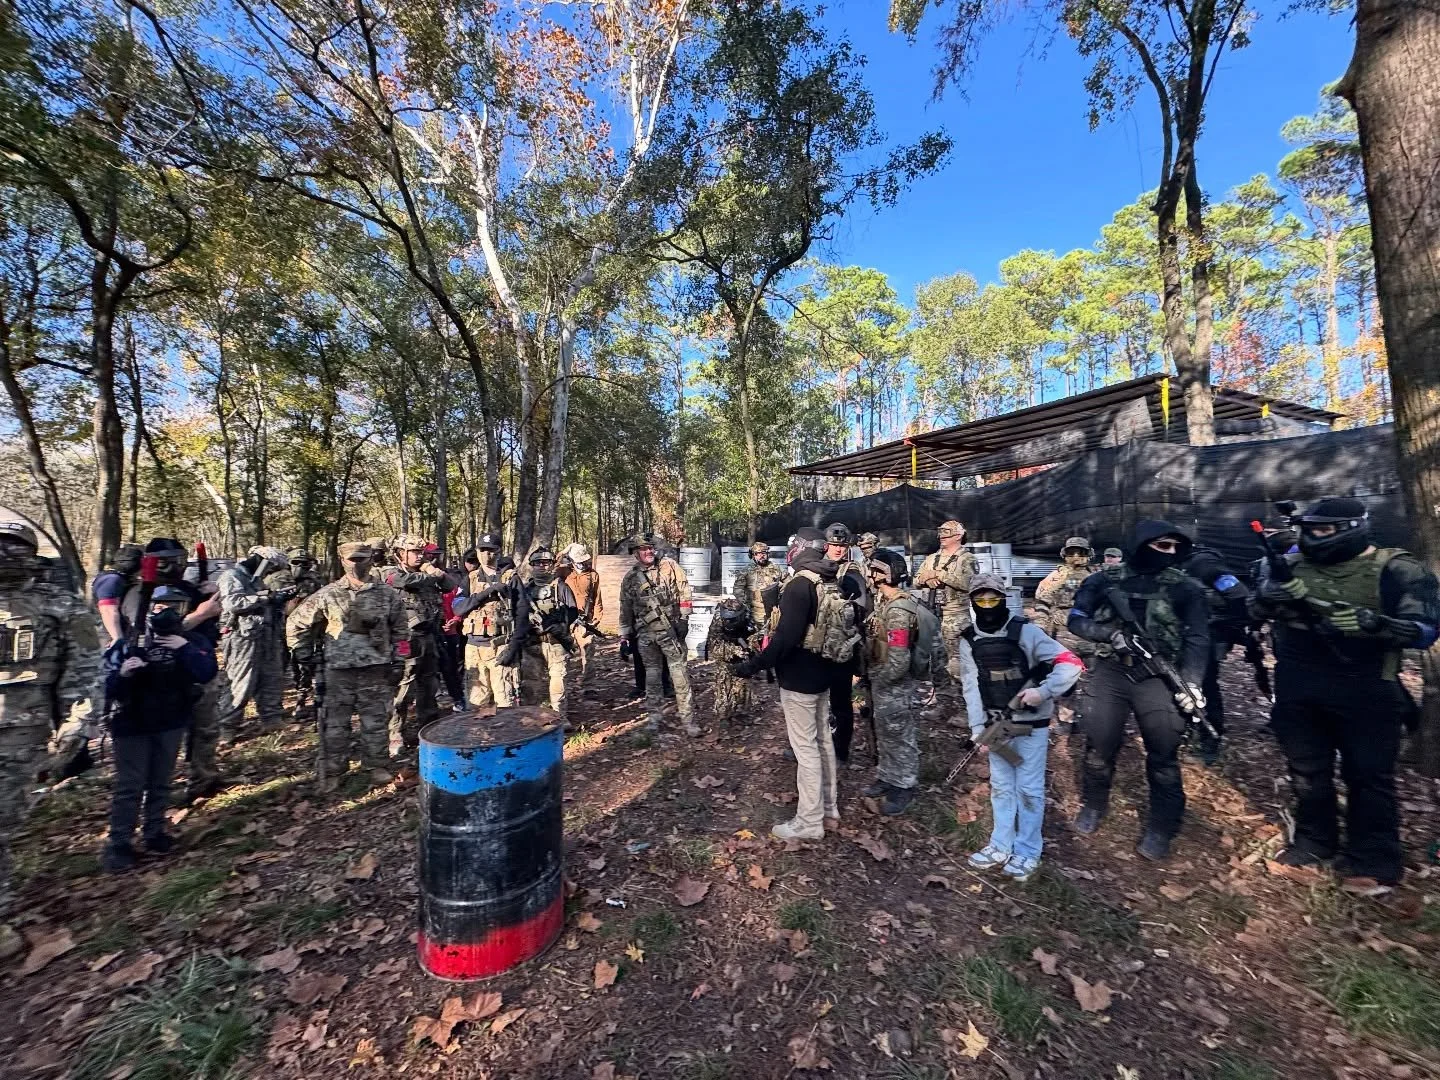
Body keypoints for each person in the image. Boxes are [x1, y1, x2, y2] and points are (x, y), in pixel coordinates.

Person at [1250, 497, 1439, 892]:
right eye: (1307, 530)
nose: (1310, 539)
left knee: (1368, 775)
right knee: (1306, 770)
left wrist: (1376, 625)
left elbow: (1425, 629)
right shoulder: (1288, 564)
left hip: (1367, 685)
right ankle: (1315, 842)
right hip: (1297, 681)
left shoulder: (1397, 569)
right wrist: (1270, 598)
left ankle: (1374, 860)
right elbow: (1249, 612)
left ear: (1354, 528)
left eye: (1321, 531)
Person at [1067, 522, 1210, 861]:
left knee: (1163, 755)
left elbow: (1198, 638)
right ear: (1140, 543)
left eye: (1176, 547)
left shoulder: (1187, 589)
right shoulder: (1103, 580)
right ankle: (1094, 804)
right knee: (1098, 748)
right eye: (1162, 546)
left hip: (1159, 677)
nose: (1171, 553)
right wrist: (1108, 635)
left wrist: (1191, 682)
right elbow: (1076, 618)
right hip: (1112, 671)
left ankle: (1162, 826)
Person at [0, 522, 100, 959]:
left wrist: (75, 728)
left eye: (13, 547)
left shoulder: (59, 606)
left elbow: (84, 674)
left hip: (19, 735)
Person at [732, 527, 857, 840]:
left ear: (801, 548)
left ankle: (809, 822)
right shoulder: (829, 577)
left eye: (793, 545)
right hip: (824, 672)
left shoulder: (801, 583)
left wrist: (754, 665)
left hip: (801, 677)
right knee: (823, 742)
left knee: (806, 750)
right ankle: (829, 809)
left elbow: (786, 639)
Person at [960, 574, 1083, 881]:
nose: (987, 605)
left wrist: (1042, 692)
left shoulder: (1027, 631)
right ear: (973, 602)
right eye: (980, 599)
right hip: (996, 725)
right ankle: (1000, 845)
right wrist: (978, 728)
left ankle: (1028, 850)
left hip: (1032, 724)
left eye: (993, 599)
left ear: (1004, 599)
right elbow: (971, 685)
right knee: (1002, 787)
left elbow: (1071, 664)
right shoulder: (969, 638)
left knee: (1028, 789)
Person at [101, 586, 218, 872]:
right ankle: (119, 843)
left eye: (174, 607)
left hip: (170, 720)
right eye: (158, 607)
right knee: (130, 785)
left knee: (161, 780)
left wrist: (184, 648)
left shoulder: (192, 639)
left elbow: (206, 672)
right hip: (132, 723)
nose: (165, 613)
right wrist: (125, 673)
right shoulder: (126, 641)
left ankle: (154, 832)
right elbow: (104, 688)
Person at [286, 542, 408, 789]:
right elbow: (297, 622)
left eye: (363, 558)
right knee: (335, 723)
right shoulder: (328, 593)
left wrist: (399, 660)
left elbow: (402, 632)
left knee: (375, 720)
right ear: (342, 560)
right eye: (352, 559)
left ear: (372, 559)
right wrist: (303, 653)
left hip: (376, 667)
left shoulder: (387, 595)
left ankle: (377, 766)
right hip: (338, 669)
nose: (357, 563)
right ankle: (333, 770)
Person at [861, 557, 927, 815]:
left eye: (875, 570)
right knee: (885, 731)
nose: (870, 573)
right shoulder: (885, 602)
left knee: (900, 734)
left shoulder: (899, 609)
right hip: (882, 678)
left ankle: (905, 784)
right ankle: (888, 777)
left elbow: (899, 660)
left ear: (886, 574)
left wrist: (880, 678)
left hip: (893, 683)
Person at [382, 535, 460, 752]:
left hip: (430, 636)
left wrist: (437, 574)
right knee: (404, 685)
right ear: (400, 553)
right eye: (414, 552)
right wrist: (431, 575)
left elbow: (450, 585)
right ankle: (395, 732)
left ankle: (428, 729)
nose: (420, 557)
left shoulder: (427, 573)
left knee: (429, 684)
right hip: (405, 639)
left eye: (421, 553)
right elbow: (407, 582)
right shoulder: (391, 573)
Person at [619, 535, 698, 736]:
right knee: (652, 676)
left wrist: (684, 619)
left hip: (671, 630)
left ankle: (688, 721)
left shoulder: (670, 566)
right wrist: (624, 636)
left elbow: (685, 592)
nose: (649, 552)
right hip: (646, 635)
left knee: (679, 675)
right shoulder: (630, 578)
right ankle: (654, 719)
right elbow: (625, 609)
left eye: (651, 548)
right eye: (644, 549)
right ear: (636, 553)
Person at [215, 546, 294, 743]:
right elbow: (232, 603)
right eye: (271, 567)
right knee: (241, 680)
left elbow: (264, 601)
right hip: (243, 637)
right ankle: (227, 726)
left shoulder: (256, 580)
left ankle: (271, 718)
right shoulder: (232, 576)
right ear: (261, 561)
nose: (270, 572)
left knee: (271, 677)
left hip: (266, 634)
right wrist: (264, 597)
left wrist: (278, 599)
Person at [1182, 542, 1252, 763]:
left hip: (1207, 637)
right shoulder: (1183, 564)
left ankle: (1209, 740)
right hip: (1189, 635)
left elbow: (1239, 594)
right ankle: (1191, 730)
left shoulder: (1204, 564)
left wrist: (1223, 622)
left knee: (1205, 685)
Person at [1032, 537, 1096, 732]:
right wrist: (1041, 630)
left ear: (1088, 554)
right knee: (1066, 679)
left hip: (1092, 635)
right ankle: (1066, 720)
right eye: (1072, 552)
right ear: (1064, 554)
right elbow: (1042, 604)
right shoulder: (1056, 577)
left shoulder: (1097, 577)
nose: (1076, 556)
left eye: (1080, 552)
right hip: (1065, 635)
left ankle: (1090, 719)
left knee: (1094, 680)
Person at [913, 520, 981, 697]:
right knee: (937, 661)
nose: (941, 536)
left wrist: (939, 574)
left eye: (947, 533)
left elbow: (970, 583)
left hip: (956, 616)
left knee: (958, 661)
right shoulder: (931, 558)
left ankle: (963, 705)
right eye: (940, 533)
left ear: (958, 536)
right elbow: (916, 579)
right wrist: (925, 580)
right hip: (933, 616)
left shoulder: (967, 559)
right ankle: (943, 700)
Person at [822, 522, 869, 764]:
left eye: (842, 546)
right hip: (818, 647)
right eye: (833, 545)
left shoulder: (853, 571)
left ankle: (841, 752)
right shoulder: (815, 567)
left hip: (844, 646)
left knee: (841, 702)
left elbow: (861, 610)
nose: (838, 549)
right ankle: (813, 747)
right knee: (815, 701)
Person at [456, 537, 516, 711]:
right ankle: (479, 737)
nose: (486, 554)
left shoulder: (510, 578)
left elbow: (521, 614)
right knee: (476, 702)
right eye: (482, 550)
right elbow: (458, 608)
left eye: (491, 550)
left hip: (500, 646)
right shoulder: (470, 579)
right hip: (474, 649)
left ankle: (505, 737)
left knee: (505, 701)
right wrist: (487, 592)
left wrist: (513, 647)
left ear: (498, 552)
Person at [706, 598, 756, 725]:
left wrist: (750, 647)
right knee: (723, 682)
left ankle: (741, 711)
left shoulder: (747, 617)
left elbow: (755, 636)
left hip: (743, 654)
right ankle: (724, 715)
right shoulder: (718, 620)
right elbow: (714, 648)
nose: (728, 622)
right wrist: (733, 650)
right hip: (725, 656)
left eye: (732, 619)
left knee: (744, 683)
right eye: (727, 619)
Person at [564, 542, 604, 691]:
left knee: (588, 654)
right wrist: (565, 550)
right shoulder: (564, 572)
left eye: (583, 561)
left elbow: (597, 598)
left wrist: (595, 621)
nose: (582, 564)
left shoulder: (593, 575)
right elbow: (550, 567)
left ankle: (589, 686)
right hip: (565, 621)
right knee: (563, 656)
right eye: (578, 561)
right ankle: (564, 688)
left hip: (584, 621)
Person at [92, 543, 143, 646]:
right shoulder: (111, 579)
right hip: (109, 637)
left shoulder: (116, 577)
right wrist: (117, 638)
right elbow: (108, 611)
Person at [733, 540, 785, 632]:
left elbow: (788, 583)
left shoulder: (776, 568)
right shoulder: (746, 571)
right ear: (753, 556)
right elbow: (738, 589)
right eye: (758, 553)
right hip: (755, 611)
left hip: (774, 610)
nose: (761, 555)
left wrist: (782, 595)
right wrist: (746, 605)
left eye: (764, 553)